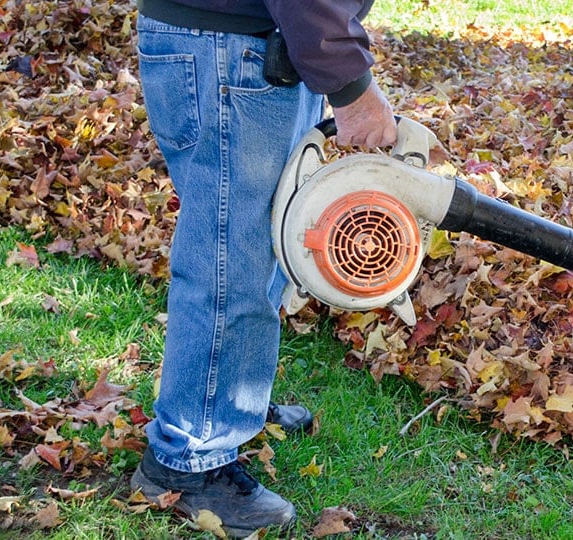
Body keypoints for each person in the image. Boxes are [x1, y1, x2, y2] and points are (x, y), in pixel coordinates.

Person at [128, 0, 398, 536]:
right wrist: (352, 90)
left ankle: (229, 397)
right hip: (228, 50)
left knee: (262, 240)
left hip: (251, 43)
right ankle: (189, 455)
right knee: (231, 259)